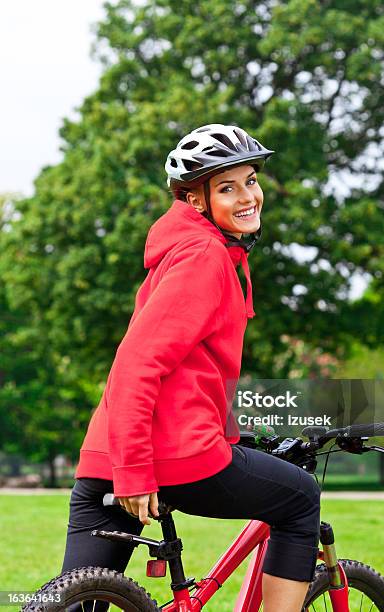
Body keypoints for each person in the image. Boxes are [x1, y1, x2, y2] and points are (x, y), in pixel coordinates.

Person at [62, 124, 320, 612]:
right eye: (228, 187)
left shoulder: (190, 250)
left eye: (250, 180)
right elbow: (137, 364)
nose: (248, 196)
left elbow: (192, 374)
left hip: (106, 453)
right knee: (301, 497)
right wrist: (136, 473)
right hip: (172, 458)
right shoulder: (205, 255)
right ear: (195, 200)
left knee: (74, 601)